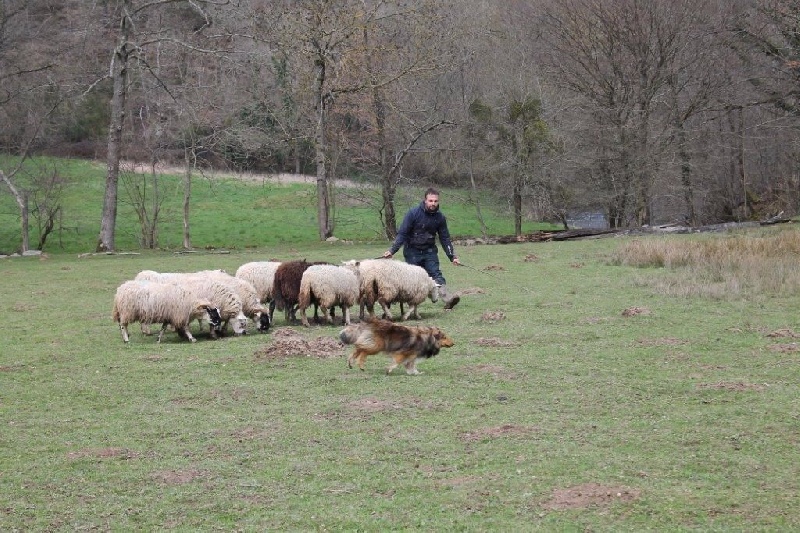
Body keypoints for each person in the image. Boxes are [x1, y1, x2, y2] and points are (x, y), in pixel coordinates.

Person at [383, 187, 462, 310]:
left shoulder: (440, 218)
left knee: (436, 274)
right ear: (425, 200)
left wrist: (453, 256)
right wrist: (392, 250)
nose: (433, 204)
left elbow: (445, 238)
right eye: (430, 201)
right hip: (412, 251)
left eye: (435, 201)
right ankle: (411, 306)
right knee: (413, 279)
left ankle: (448, 299)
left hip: (429, 251)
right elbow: (402, 234)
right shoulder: (413, 213)